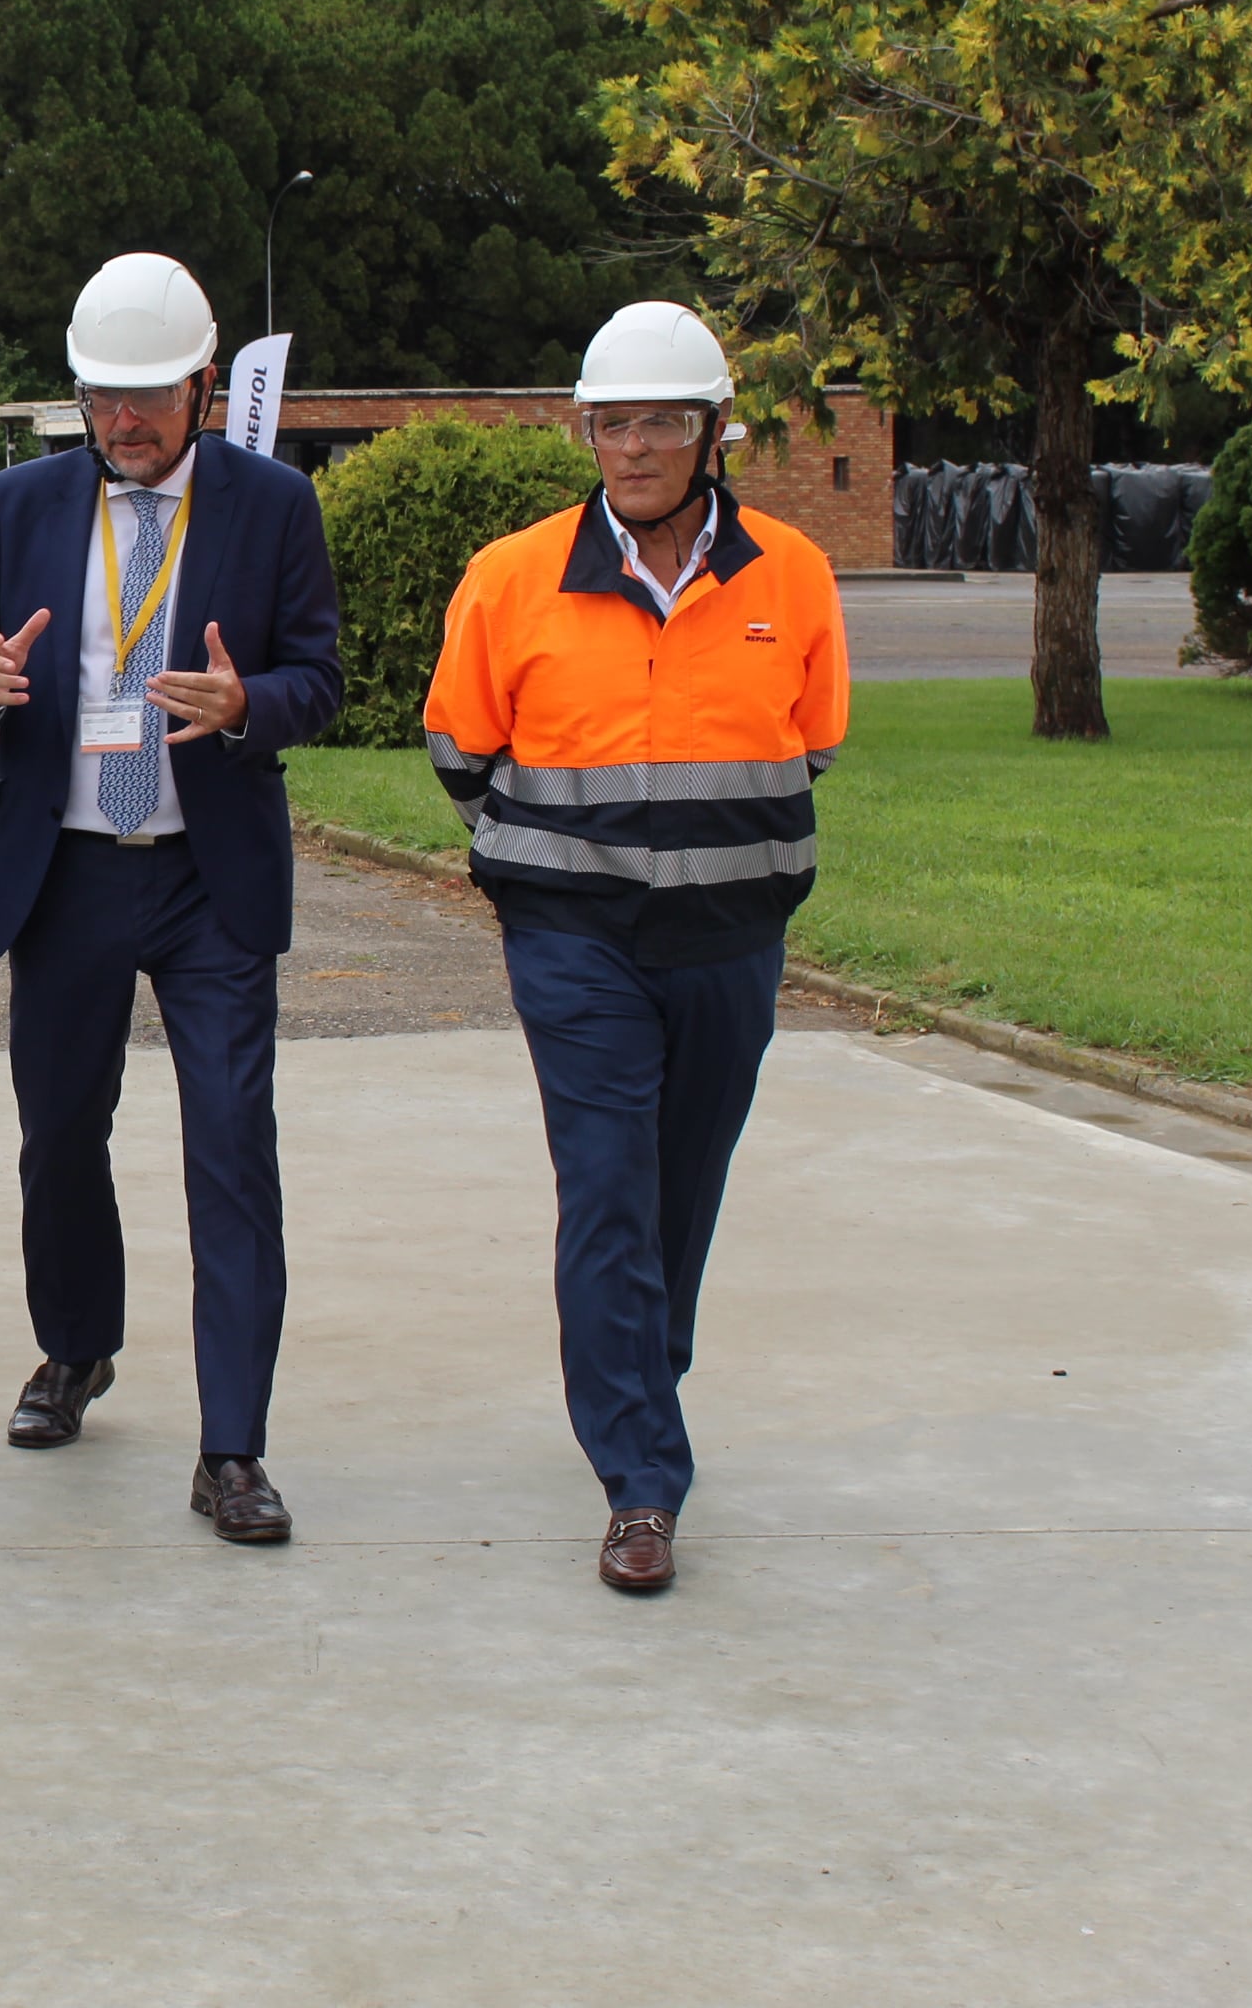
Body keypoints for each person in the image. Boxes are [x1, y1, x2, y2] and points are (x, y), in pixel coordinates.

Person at [423, 300, 848, 1595]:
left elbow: (814, 739)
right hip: (576, 942)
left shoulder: (794, 578)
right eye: (614, 422)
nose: (638, 446)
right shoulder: (513, 577)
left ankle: (636, 1374)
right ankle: (642, 1485)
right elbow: (460, 748)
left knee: (683, 1184)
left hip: (732, 941)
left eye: (665, 419)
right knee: (607, 1185)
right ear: (587, 431)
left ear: (714, 430)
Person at [0, 251, 345, 1546]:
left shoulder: (273, 508)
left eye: (149, 398)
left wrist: (248, 705)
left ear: (205, 387)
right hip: (67, 874)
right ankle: (76, 1350)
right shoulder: (21, 505)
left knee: (230, 1154)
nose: (125, 423)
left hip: (208, 881)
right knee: (59, 1138)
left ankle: (233, 1448)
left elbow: (319, 681)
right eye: (103, 399)